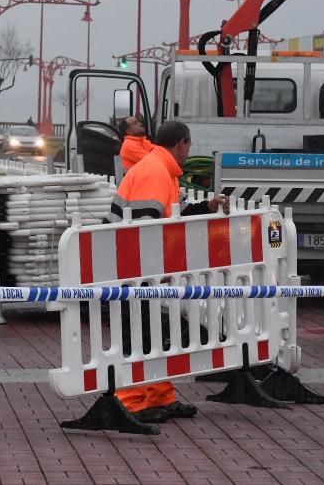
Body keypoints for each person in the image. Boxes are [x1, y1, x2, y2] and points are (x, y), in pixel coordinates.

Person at [107, 120, 230, 423]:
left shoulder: (163, 170)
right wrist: (153, 269)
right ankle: (133, 403)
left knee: (152, 332)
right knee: (139, 335)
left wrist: (208, 207)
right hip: (134, 271)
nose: (189, 151)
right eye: (189, 145)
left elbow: (174, 213)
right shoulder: (155, 172)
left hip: (135, 268)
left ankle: (158, 397)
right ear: (181, 143)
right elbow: (146, 225)